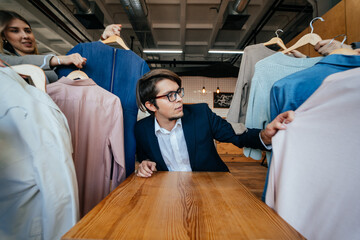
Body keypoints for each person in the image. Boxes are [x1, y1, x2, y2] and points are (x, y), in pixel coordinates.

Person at [134, 69, 295, 177]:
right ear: (150, 105)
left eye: (178, 92)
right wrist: (144, 164)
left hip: (212, 186)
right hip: (167, 192)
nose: (179, 98)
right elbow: (144, 159)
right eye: (170, 95)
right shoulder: (142, 129)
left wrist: (265, 136)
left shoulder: (201, 114)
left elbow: (237, 136)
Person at [0, 10, 122, 82]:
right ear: (3, 36)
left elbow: (81, 68)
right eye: (14, 31)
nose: (25, 36)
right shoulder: (5, 63)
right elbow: (18, 61)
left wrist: (102, 40)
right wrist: (59, 59)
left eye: (27, 30)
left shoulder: (46, 62)